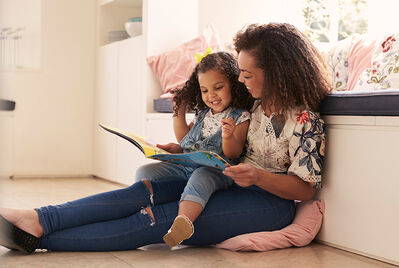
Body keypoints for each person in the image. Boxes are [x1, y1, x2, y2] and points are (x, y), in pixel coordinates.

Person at [0, 22, 331, 254]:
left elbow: (305, 187)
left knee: (154, 220)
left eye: (247, 74)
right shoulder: (252, 106)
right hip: (226, 180)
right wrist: (184, 151)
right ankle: (39, 218)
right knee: (139, 193)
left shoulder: (307, 121)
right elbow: (215, 128)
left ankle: (38, 239)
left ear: (275, 73)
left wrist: (258, 176)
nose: (241, 81)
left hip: (267, 204)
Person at [136, 51, 254, 247]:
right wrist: (178, 115)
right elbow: (185, 139)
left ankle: (182, 222)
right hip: (186, 165)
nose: (211, 95)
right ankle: (145, 209)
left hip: (216, 171)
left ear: (233, 84)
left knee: (201, 177)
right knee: (145, 171)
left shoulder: (239, 116)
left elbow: (234, 153)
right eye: (205, 90)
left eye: (218, 87)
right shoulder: (203, 114)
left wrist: (228, 136)